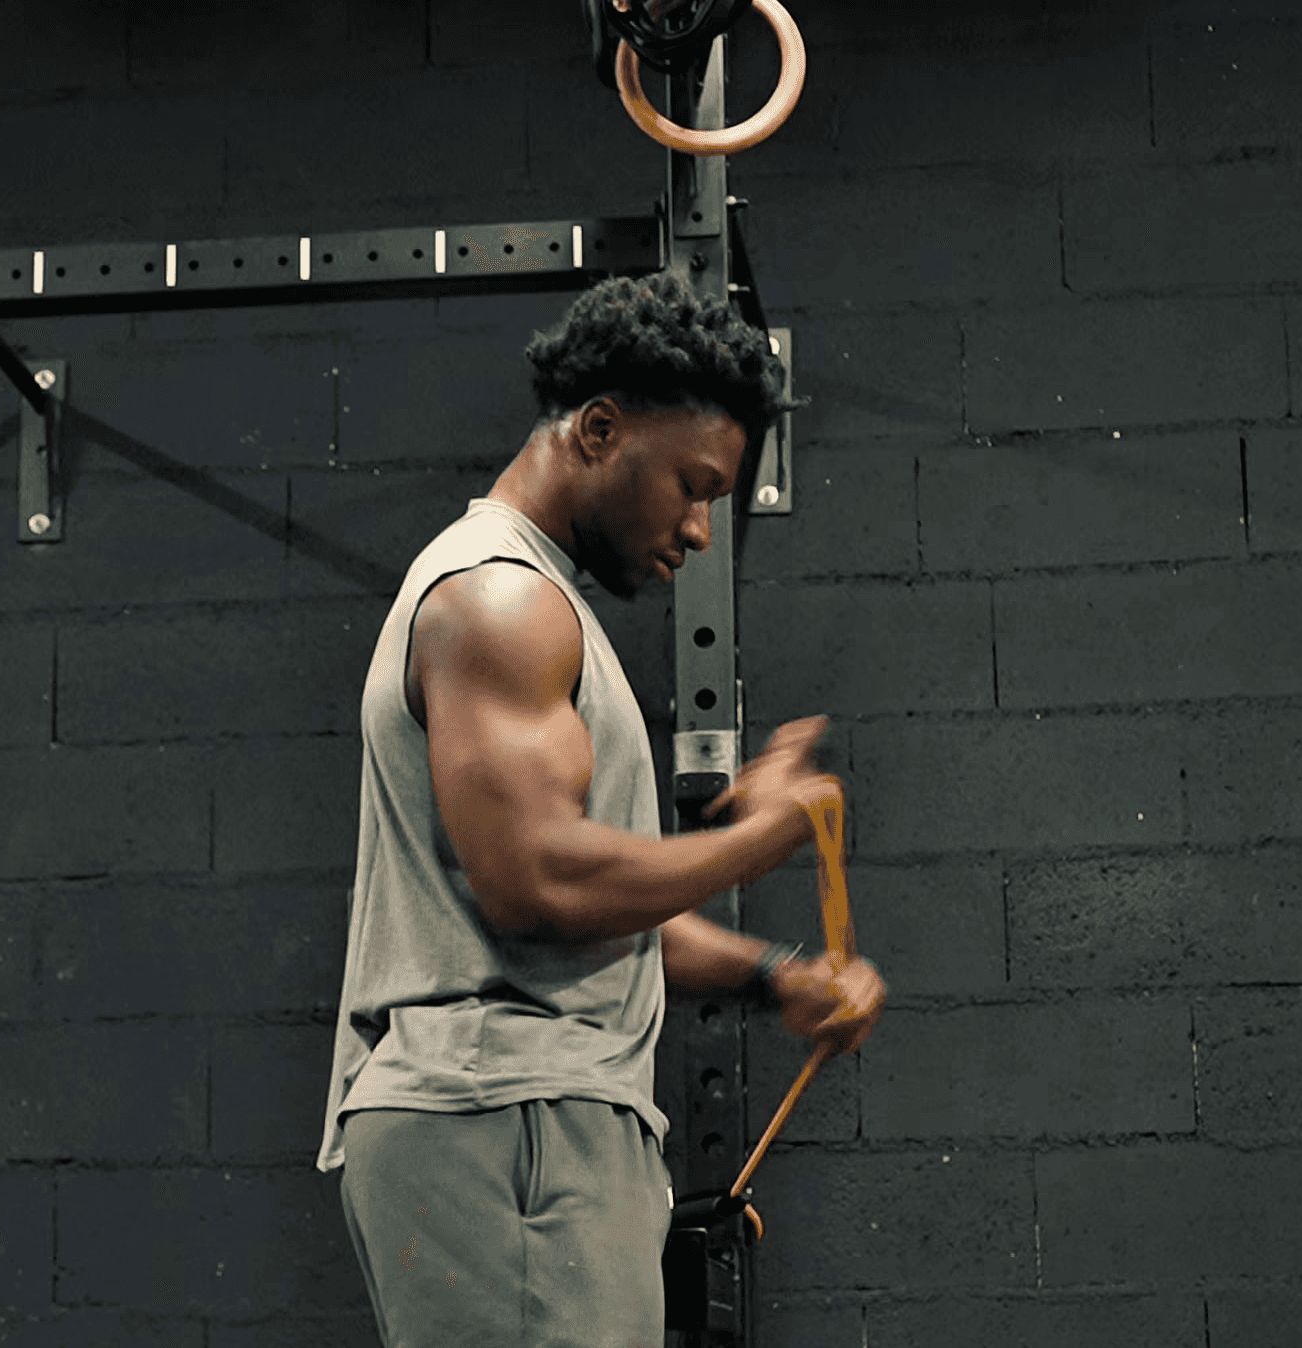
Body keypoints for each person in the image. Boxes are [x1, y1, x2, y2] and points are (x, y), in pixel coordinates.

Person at [316, 270, 888, 1348]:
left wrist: (771, 975)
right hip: (506, 1116)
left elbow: (590, 902)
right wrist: (766, 834)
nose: (702, 529)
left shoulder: (533, 604)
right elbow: (538, 881)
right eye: (692, 483)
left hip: (530, 1112)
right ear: (596, 428)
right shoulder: (499, 600)